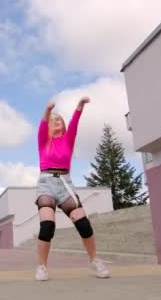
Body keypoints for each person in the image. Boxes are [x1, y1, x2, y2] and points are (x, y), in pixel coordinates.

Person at [34, 97, 110, 281]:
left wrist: (79, 107)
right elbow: (43, 124)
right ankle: (42, 267)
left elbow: (75, 123)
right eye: (53, 120)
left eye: (58, 119)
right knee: (47, 227)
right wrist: (47, 110)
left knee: (84, 225)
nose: (55, 121)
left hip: (65, 184)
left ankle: (95, 260)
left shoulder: (68, 140)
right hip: (46, 184)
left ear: (63, 124)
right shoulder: (44, 140)